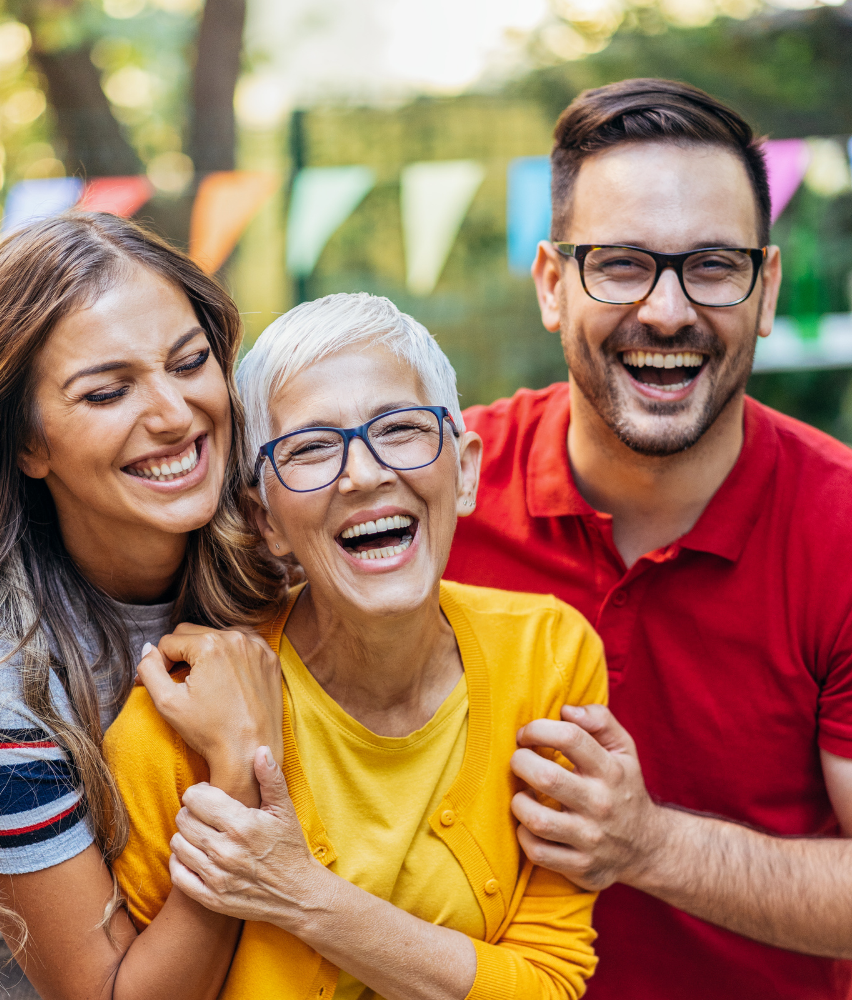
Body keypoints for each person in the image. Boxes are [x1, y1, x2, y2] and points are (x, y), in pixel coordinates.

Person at [442, 78, 852, 999]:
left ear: (767, 286)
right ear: (553, 284)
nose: (666, 311)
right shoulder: (438, 492)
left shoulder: (842, 529)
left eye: (712, 265)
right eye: (621, 263)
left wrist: (649, 844)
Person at [105, 292, 609, 1000]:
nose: (365, 473)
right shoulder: (172, 730)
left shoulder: (550, 655)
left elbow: (549, 982)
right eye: (311, 448)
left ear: (463, 471)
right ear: (265, 521)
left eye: (400, 430)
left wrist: (300, 892)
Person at [0, 213, 287, 1000]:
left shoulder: (274, 553)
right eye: (109, 391)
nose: (174, 413)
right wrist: (240, 769)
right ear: (28, 444)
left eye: (190, 363)